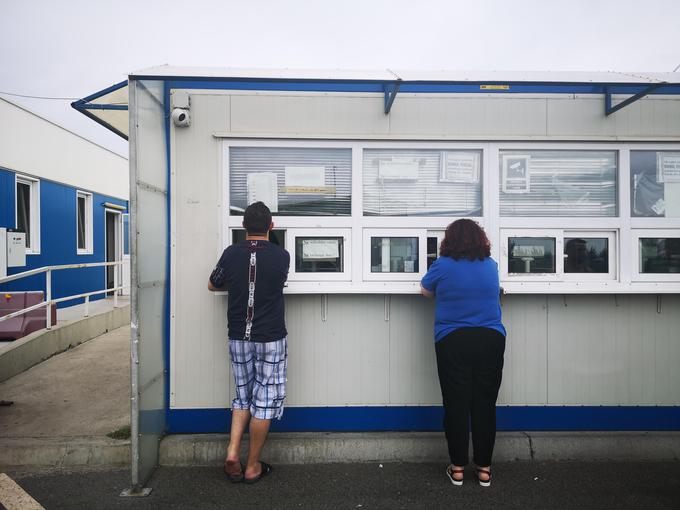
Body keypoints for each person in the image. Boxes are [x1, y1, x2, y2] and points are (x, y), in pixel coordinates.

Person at [208, 201, 290, 484]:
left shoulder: (231, 253)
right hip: (270, 337)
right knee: (264, 400)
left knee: (243, 395)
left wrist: (238, 282)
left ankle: (233, 451)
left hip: (238, 337)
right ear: (272, 226)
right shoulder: (282, 256)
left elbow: (212, 283)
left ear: (242, 227)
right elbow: (278, 282)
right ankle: (252, 465)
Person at [420, 219, 506, 487]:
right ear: (481, 239)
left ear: (449, 240)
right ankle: (484, 469)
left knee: (456, 403)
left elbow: (424, 291)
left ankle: (457, 467)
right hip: (491, 338)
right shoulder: (491, 266)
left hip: (453, 340)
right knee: (484, 404)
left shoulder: (442, 265)